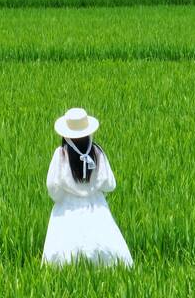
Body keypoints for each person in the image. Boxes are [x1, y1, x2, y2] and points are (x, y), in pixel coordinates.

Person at [42, 108, 133, 267]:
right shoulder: (97, 153)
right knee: (107, 254)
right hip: (95, 206)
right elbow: (109, 185)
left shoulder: (61, 155)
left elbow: (53, 189)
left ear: (65, 135)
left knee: (63, 255)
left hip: (67, 208)